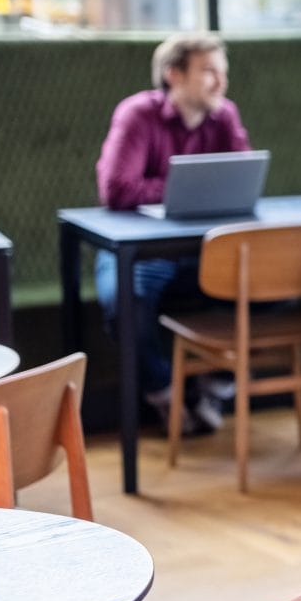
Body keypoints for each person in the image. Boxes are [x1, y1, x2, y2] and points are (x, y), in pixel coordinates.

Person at [94, 33, 249, 434]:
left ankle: (214, 385)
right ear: (173, 75)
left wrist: (180, 187)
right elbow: (116, 189)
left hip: (207, 250)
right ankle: (166, 394)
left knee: (285, 277)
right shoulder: (136, 115)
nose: (220, 82)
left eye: (222, 72)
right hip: (146, 250)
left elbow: (240, 181)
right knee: (125, 297)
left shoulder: (225, 116)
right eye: (208, 72)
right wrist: (186, 187)